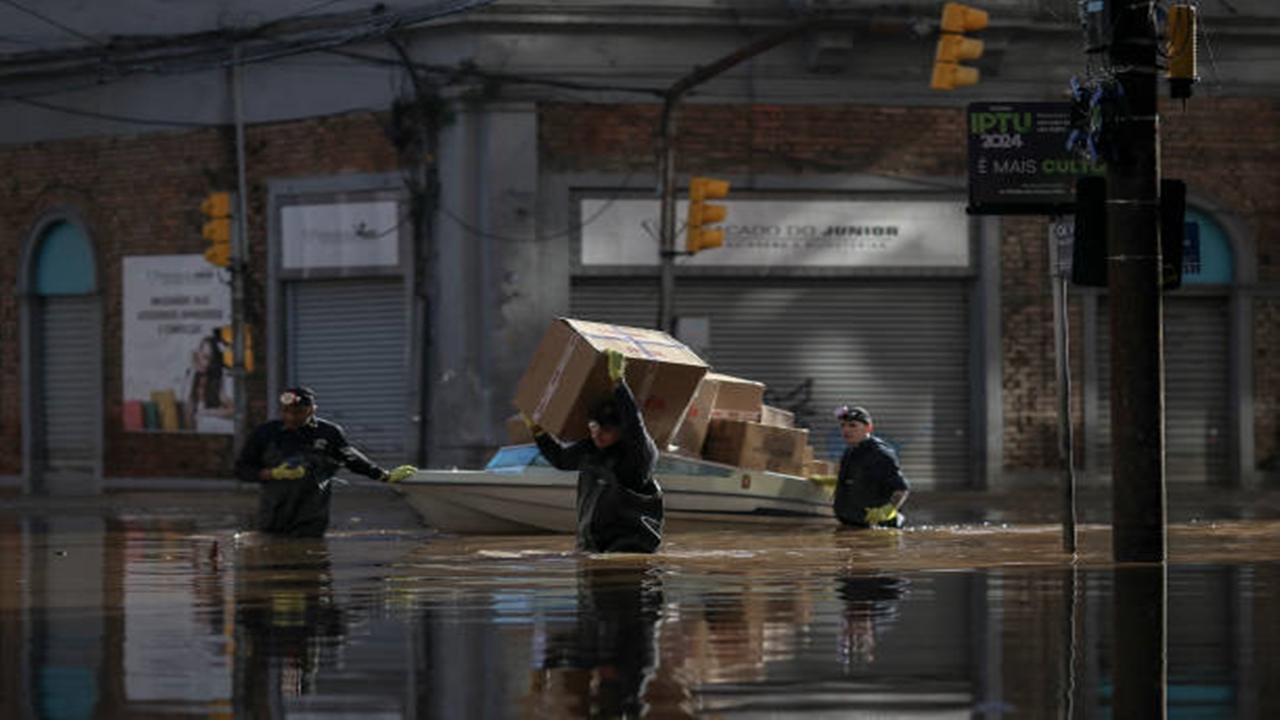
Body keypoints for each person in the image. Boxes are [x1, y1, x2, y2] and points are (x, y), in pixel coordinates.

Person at [523, 349, 664, 553]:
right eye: (593, 428)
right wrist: (538, 432)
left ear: (620, 430)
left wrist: (618, 383)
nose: (598, 435)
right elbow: (561, 459)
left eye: (606, 430)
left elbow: (634, 426)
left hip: (629, 551)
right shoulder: (590, 451)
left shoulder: (637, 456)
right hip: (593, 549)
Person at [234, 386, 417, 537]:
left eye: (298, 413)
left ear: (313, 410)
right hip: (274, 516)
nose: (290, 417)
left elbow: (351, 459)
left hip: (311, 518)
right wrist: (273, 473)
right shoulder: (265, 433)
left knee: (314, 571)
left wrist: (384, 475)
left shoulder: (328, 433)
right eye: (286, 412)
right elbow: (242, 470)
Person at [832, 405, 909, 529]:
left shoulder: (879, 453)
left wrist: (886, 512)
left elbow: (901, 490)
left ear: (868, 428)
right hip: (852, 526)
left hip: (878, 529)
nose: (846, 430)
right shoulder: (850, 451)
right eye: (843, 425)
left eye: (852, 425)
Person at [185, 333, 234, 433]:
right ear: (198, 354)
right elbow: (188, 411)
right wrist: (193, 371)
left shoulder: (220, 378)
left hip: (218, 429)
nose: (206, 363)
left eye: (211, 359)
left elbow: (234, 411)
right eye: (204, 357)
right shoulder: (195, 376)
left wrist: (208, 412)